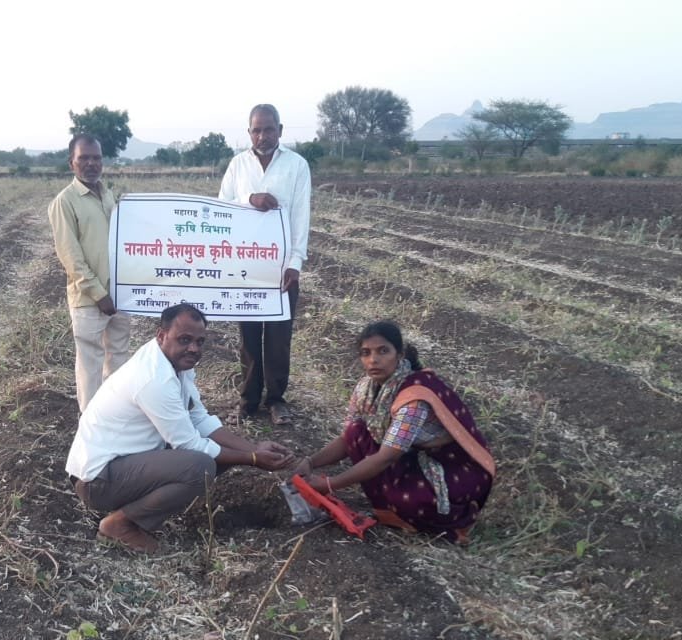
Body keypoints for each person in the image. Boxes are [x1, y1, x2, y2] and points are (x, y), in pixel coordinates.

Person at [66, 303, 294, 553]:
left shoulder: (173, 362)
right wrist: (252, 458)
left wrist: (254, 449)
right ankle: (120, 524)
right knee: (200, 465)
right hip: (97, 481)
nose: (193, 348)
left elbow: (199, 418)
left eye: (199, 341)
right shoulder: (155, 379)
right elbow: (189, 445)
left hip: (119, 466)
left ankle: (134, 511)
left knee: (213, 455)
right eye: (184, 339)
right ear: (162, 335)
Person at [293, 321, 495, 544]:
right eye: (365, 353)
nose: (373, 360)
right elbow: (347, 438)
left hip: (447, 466)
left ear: (399, 354)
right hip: (409, 456)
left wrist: (329, 484)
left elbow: (387, 456)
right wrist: (310, 462)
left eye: (383, 351)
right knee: (356, 431)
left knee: (412, 501)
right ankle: (390, 501)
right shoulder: (365, 387)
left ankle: (453, 517)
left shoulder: (415, 396)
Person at [219, 103, 311, 425]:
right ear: (249, 133)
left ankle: (276, 400)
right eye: (256, 130)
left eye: (268, 129)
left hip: (282, 268)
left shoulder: (297, 166)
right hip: (246, 267)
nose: (262, 135)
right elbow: (222, 207)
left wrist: (295, 263)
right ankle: (248, 399)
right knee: (248, 336)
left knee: (278, 337)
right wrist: (249, 200)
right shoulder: (237, 165)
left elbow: (301, 216)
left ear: (280, 130)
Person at [49, 134, 130, 412]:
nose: (91, 163)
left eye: (96, 158)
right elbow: (70, 256)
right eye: (84, 158)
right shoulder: (65, 202)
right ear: (72, 162)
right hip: (89, 300)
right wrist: (98, 293)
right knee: (90, 366)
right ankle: (91, 429)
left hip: (120, 296)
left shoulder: (107, 195)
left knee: (118, 360)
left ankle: (114, 418)